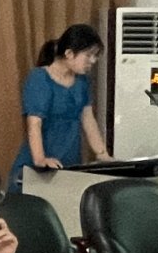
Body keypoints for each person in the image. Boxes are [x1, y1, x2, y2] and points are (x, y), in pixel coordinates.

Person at [7, 24, 112, 192]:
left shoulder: (82, 82)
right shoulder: (39, 78)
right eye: (88, 55)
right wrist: (41, 160)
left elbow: (88, 120)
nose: (92, 61)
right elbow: (34, 124)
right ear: (69, 54)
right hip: (38, 167)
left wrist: (103, 155)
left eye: (95, 56)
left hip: (69, 166)